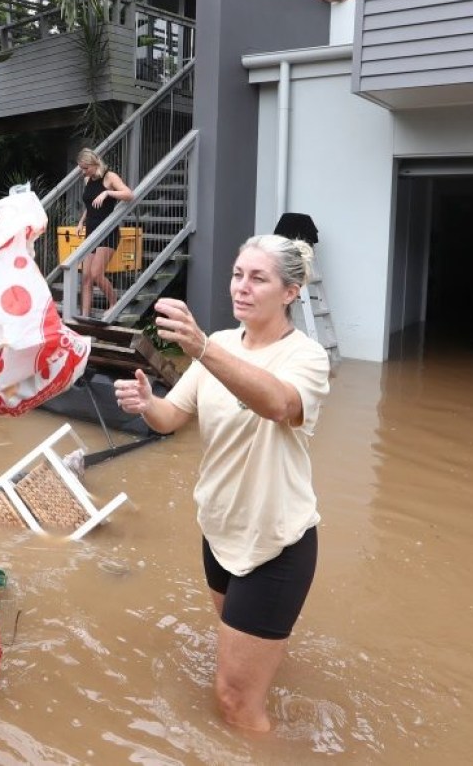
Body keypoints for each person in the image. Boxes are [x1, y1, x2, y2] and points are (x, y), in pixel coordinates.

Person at [113, 234, 330, 732]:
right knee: (239, 658)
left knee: (233, 702)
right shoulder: (221, 346)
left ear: (291, 292)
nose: (242, 287)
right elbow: (172, 417)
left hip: (275, 543)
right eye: (238, 274)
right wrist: (147, 403)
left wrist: (203, 347)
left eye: (259, 278)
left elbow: (278, 404)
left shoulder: (307, 357)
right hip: (219, 531)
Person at [74, 147, 133, 317]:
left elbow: (129, 194)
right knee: (85, 277)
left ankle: (115, 302)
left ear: (94, 164)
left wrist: (107, 192)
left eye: (85, 168)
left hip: (107, 230)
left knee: (96, 274)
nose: (83, 172)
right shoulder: (88, 179)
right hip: (91, 230)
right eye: (81, 168)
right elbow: (90, 205)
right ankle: (85, 316)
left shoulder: (109, 177)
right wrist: (81, 222)